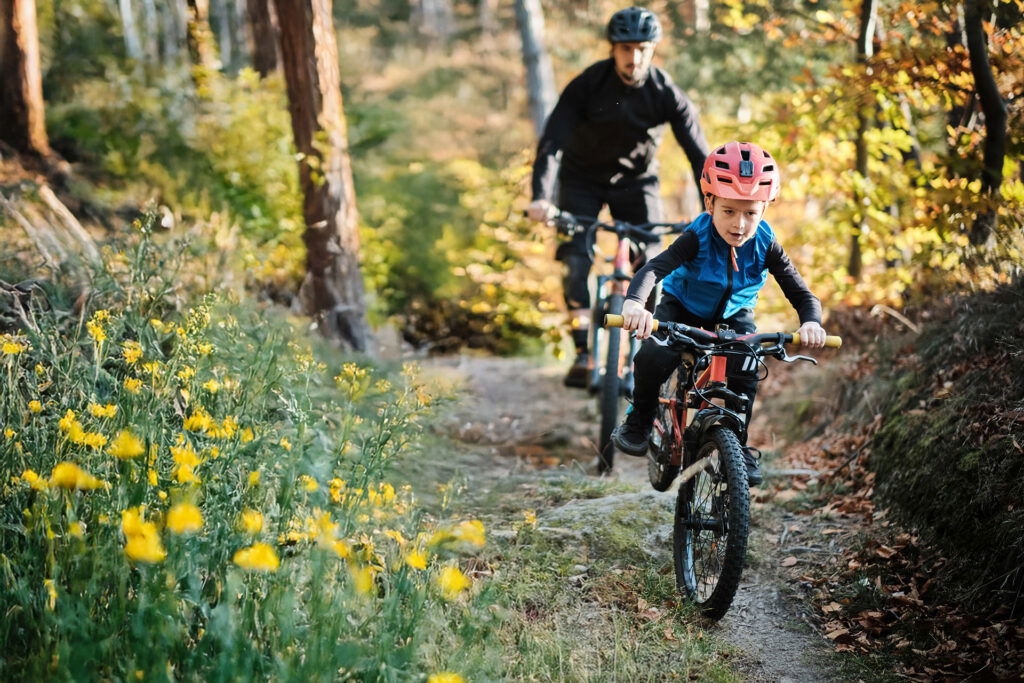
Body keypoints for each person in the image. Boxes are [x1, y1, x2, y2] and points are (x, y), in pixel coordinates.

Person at [610, 141, 828, 486]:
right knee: (653, 355)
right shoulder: (697, 236)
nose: (739, 224)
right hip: (682, 308)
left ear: (764, 210)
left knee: (747, 365)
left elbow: (800, 291)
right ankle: (639, 418)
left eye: (750, 213)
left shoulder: (766, 243)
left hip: (733, 314)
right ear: (710, 202)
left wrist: (812, 321)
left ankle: (736, 444)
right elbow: (654, 269)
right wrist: (636, 303)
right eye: (729, 211)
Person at [526, 6, 709, 388]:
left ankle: (645, 353)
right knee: (576, 260)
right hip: (581, 180)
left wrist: (711, 206)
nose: (634, 57)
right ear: (613, 50)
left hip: (637, 182)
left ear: (653, 50)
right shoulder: (588, 84)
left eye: (642, 48)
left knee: (655, 263)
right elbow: (552, 144)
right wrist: (541, 197)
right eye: (626, 49)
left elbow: (698, 156)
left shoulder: (665, 92)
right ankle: (582, 351)